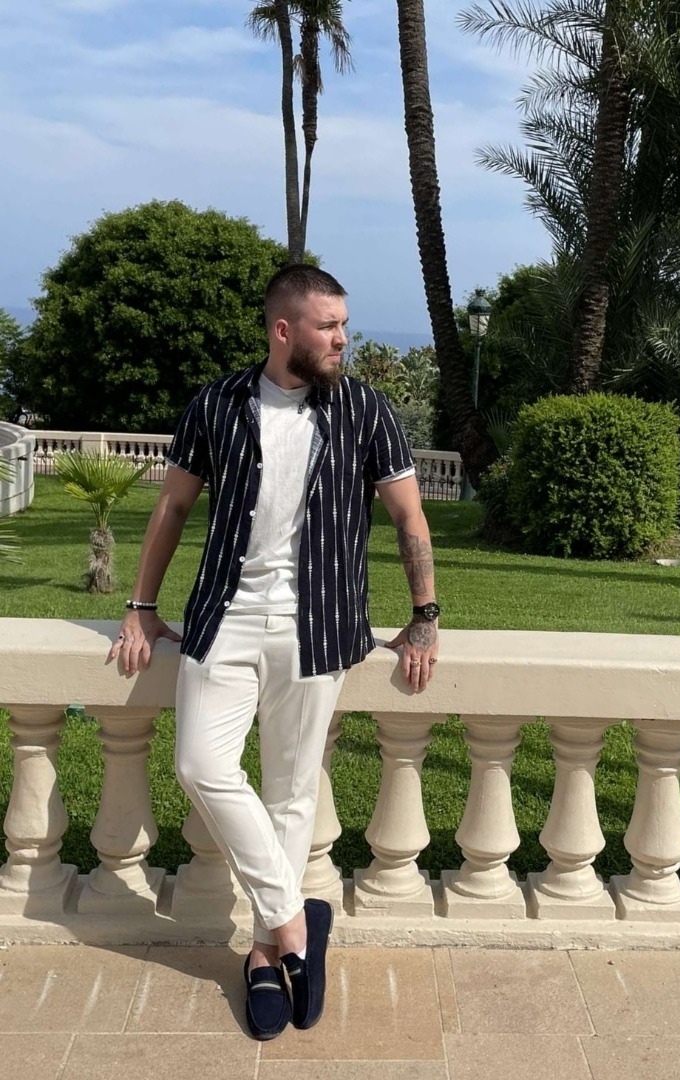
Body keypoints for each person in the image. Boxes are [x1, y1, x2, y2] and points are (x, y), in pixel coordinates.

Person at [107, 264, 439, 1042]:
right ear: (283, 330)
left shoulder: (365, 409)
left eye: (344, 324)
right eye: (329, 326)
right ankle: (296, 921)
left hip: (318, 625)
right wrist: (140, 607)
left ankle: (264, 953)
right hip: (224, 617)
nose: (342, 339)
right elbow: (173, 505)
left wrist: (424, 616)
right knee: (200, 764)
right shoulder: (216, 404)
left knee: (292, 792)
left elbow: (408, 517)